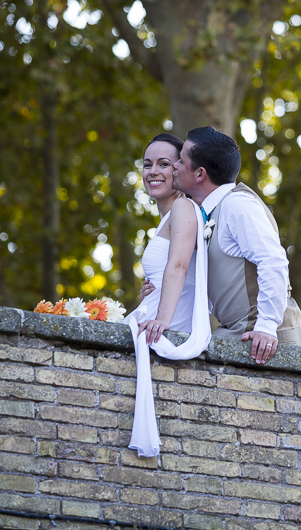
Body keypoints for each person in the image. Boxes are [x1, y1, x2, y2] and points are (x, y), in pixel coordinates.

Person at [172, 126, 301, 365]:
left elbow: (272, 260)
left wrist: (266, 327)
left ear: (200, 174)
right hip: (237, 333)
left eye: (181, 161)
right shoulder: (205, 214)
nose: (174, 166)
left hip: (267, 339)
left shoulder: (237, 205)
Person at [124, 133, 211, 458]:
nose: (153, 171)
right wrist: (151, 293)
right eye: (147, 164)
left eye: (164, 163)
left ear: (179, 169)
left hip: (170, 323)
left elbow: (178, 266)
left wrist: (161, 317)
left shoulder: (184, 207)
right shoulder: (167, 216)